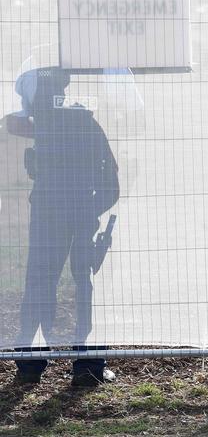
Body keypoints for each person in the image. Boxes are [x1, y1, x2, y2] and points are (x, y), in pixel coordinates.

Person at [7, 67, 120, 387]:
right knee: (83, 287)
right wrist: (86, 211)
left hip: (46, 219)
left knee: (38, 286)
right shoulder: (87, 125)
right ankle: (88, 369)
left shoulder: (36, 132)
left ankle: (29, 367)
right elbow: (112, 186)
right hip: (79, 217)